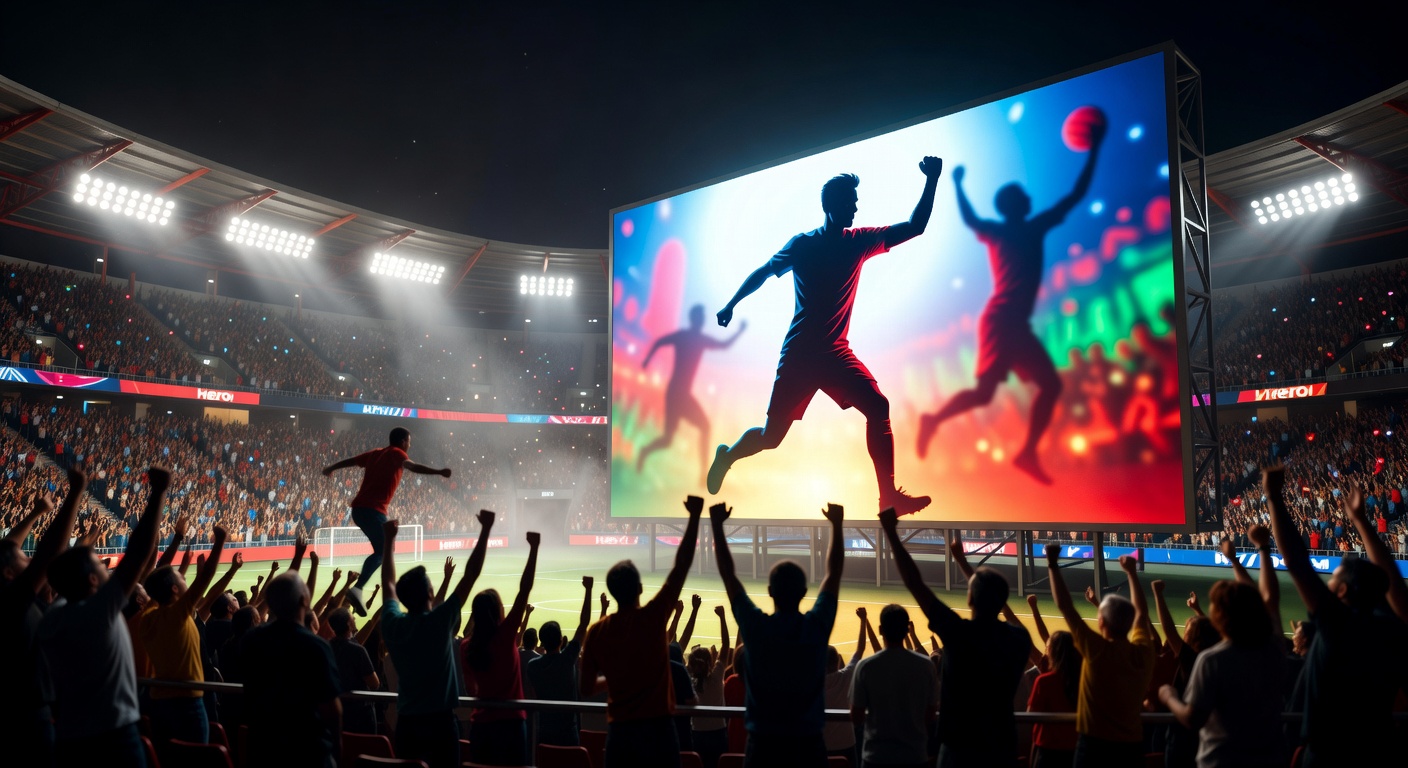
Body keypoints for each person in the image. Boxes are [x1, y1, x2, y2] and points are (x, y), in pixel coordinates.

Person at [708, 158, 944, 515]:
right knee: (772, 438)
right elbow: (763, 272)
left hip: (834, 353)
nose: (855, 207)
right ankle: (728, 455)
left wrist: (932, 180)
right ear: (830, 206)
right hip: (801, 354)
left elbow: (916, 226)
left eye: (855, 202)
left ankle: (888, 496)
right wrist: (731, 304)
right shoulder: (803, 245)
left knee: (878, 407)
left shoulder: (859, 241)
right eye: (849, 201)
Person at [917, 122, 1105, 485]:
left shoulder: (1005, 230)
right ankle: (937, 422)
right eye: (1024, 196)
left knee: (1041, 387)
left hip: (1010, 323)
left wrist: (957, 184)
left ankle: (1025, 452)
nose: (1031, 199)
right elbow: (1075, 194)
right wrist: (1094, 149)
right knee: (994, 393)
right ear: (1016, 205)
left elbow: (972, 217)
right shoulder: (1025, 228)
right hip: (1003, 322)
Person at [1263, 471, 1408, 766]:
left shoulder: (1338, 624)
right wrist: (1361, 521)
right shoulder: (1391, 628)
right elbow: (1392, 583)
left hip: (1328, 754)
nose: (1328, 582)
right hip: (1379, 749)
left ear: (1342, 590)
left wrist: (1274, 498)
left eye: (1333, 578)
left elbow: (1295, 561)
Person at [880, 510, 1031, 767]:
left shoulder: (958, 633)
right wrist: (963, 563)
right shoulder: (1019, 639)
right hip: (1001, 746)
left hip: (959, 749)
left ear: (970, 599)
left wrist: (892, 533)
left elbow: (915, 583)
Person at [39, 466, 167, 767]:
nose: (107, 567)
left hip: (69, 736)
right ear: (93, 582)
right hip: (114, 739)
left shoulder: (52, 619)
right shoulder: (98, 613)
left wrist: (85, 543)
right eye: (100, 565)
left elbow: (58, 565)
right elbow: (137, 553)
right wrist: (158, 493)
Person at [710, 501, 844, 768]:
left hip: (764, 747)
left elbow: (729, 576)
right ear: (805, 593)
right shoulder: (815, 627)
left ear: (770, 592)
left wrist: (716, 525)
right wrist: (837, 525)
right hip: (808, 746)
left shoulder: (756, 628)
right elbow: (834, 574)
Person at [580, 496, 703, 768]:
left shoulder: (597, 632)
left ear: (612, 593)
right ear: (639, 589)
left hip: (621, 733)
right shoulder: (653, 616)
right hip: (659, 731)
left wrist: (617, 678)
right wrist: (694, 517)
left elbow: (586, 687)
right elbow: (681, 566)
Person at [381, 511, 495, 768]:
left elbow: (388, 583)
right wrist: (486, 529)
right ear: (431, 593)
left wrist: (388, 540)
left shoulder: (392, 624)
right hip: (441, 723)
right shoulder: (439, 621)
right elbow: (470, 576)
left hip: (407, 723)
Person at [1044, 545, 1156, 768]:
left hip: (1093, 747)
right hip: (1132, 748)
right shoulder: (1143, 652)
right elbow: (1142, 615)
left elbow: (1066, 607)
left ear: (1102, 622)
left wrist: (1052, 564)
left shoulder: (1095, 649)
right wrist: (1131, 573)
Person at [1, 470, 83, 766]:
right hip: (26, 717)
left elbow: (7, 548)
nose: (29, 558)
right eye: (25, 557)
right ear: (8, 574)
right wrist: (75, 494)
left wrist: (37, 512)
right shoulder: (11, 602)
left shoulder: (17, 600)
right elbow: (49, 554)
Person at [323, 427, 452, 616]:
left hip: (359, 510)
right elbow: (413, 467)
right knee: (385, 551)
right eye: (409, 441)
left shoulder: (375, 453)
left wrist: (332, 467)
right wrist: (439, 472)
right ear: (402, 442)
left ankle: (358, 589)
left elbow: (351, 461)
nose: (409, 445)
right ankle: (357, 589)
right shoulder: (397, 454)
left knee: (383, 550)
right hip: (372, 510)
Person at [1157, 580, 1286, 768]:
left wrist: (1169, 697)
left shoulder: (1211, 659)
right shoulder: (1275, 651)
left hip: (1221, 759)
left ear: (1220, 616)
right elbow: (1271, 601)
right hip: (1270, 758)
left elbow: (1193, 719)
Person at [140, 522, 229, 749]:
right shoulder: (177, 614)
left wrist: (176, 550)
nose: (185, 580)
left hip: (159, 703)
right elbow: (205, 577)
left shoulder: (148, 617)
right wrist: (219, 542)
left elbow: (155, 575)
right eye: (182, 580)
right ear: (174, 590)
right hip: (187, 703)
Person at [241, 572, 343, 768]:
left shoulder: (251, 641)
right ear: (304, 601)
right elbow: (332, 709)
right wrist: (337, 751)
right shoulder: (317, 646)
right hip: (307, 750)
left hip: (264, 747)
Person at [637, 304, 747, 481]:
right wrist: (647, 360)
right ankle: (647, 452)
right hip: (676, 395)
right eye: (701, 316)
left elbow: (724, 345)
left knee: (679, 435)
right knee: (671, 438)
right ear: (695, 319)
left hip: (681, 394)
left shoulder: (699, 339)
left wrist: (739, 332)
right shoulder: (684, 337)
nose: (704, 319)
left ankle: (703, 474)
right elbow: (659, 342)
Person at [462, 531, 541, 766]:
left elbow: (471, 689)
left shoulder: (466, 646)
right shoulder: (505, 637)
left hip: (481, 725)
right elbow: (524, 590)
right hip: (511, 724)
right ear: (498, 612)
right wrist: (534, 548)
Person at [850, 603, 940, 768]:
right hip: (915, 755)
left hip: (876, 756)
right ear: (907, 630)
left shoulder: (866, 667)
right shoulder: (926, 666)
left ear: (881, 630)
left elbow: (856, 716)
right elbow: (931, 715)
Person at [526, 576, 595, 747]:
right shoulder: (567, 659)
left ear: (541, 642)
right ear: (561, 640)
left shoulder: (533, 666)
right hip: (567, 732)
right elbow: (583, 624)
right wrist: (588, 590)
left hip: (544, 731)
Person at [824, 607, 871, 766]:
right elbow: (860, 650)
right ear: (837, 660)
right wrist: (863, 621)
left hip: (819, 743)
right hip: (846, 743)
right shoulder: (846, 676)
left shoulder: (810, 683)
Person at [1026, 631, 1081, 768]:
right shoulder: (1082, 682)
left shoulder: (1044, 681)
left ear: (1051, 652)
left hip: (1047, 748)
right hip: (1074, 747)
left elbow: (1030, 716)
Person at [687, 605, 732, 768]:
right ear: (710, 663)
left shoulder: (689, 681)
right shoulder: (717, 675)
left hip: (697, 734)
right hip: (718, 733)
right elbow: (726, 645)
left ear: (690, 665)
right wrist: (722, 617)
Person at [328, 607, 380, 735]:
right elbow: (374, 683)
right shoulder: (357, 651)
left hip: (337, 711)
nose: (355, 618)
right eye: (352, 617)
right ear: (348, 624)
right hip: (361, 714)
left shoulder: (327, 647)